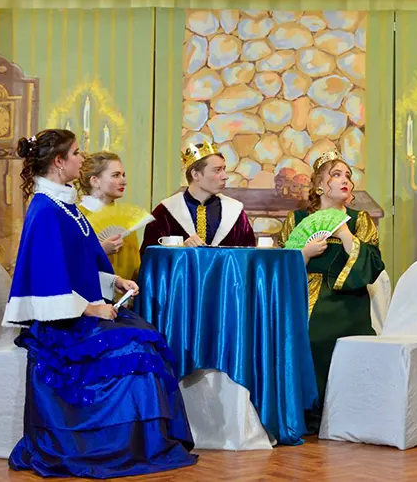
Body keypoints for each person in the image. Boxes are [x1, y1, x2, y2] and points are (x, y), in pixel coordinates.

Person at [4, 129, 197, 478]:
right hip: (61, 323)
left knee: (147, 341)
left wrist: (113, 282)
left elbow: (77, 264)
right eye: (76, 153)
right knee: (135, 350)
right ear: (59, 161)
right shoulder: (46, 210)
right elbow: (48, 277)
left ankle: (141, 443)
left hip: (77, 311)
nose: (82, 158)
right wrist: (92, 308)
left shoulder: (64, 206)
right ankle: (111, 446)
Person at [278, 149, 385, 433]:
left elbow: (374, 263)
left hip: (348, 297)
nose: (345, 179)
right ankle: (307, 412)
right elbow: (281, 265)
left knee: (344, 342)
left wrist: (345, 235)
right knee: (305, 336)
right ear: (319, 185)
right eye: (336, 175)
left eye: (348, 175)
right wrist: (304, 253)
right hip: (304, 296)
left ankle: (348, 411)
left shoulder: (359, 220)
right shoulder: (297, 219)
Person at [141, 140, 255, 252]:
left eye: (224, 169)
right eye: (217, 170)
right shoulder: (165, 212)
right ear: (195, 175)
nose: (225, 176)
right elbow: (150, 257)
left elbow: (248, 255)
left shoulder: (234, 211)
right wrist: (180, 248)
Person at [77, 151, 141, 281]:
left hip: (128, 291)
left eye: (123, 175)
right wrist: (100, 251)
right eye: (116, 175)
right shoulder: (77, 217)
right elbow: (70, 264)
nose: (123, 181)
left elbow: (135, 266)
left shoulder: (126, 219)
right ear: (95, 181)